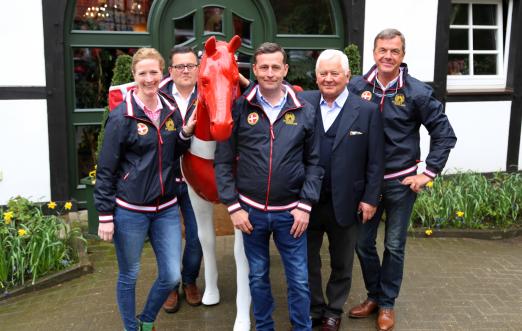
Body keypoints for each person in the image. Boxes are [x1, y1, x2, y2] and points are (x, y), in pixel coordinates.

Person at [347, 29, 457, 331]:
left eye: (394, 51)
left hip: (400, 184)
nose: (387, 56)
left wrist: (428, 174)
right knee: (362, 244)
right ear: (373, 52)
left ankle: (386, 304)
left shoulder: (417, 92)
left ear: (402, 56)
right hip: (366, 185)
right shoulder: (356, 86)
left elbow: (444, 134)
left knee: (394, 246)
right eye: (382, 50)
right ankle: (373, 295)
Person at [214, 42, 323, 331]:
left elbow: (315, 163)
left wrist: (306, 205)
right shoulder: (239, 108)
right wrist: (233, 207)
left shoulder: (306, 110)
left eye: (276, 67)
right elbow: (223, 162)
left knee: (299, 279)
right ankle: (264, 327)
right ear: (255, 70)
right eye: (264, 67)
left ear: (285, 69)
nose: (270, 73)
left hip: (292, 215)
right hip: (251, 215)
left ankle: (302, 328)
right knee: (258, 276)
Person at [95, 47, 196, 331]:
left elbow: (172, 150)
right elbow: (106, 168)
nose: (149, 78)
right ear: (134, 76)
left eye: (154, 72)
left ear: (162, 73)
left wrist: (185, 133)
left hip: (165, 208)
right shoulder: (121, 116)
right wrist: (105, 214)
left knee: (171, 275)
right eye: (143, 73)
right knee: (130, 274)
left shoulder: (170, 110)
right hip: (130, 211)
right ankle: (132, 328)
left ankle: (147, 320)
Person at [299, 49, 384, 331]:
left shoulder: (367, 111)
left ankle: (334, 311)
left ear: (348, 76)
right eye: (323, 73)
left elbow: (375, 160)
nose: (328, 78)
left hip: (347, 201)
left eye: (335, 73)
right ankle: (314, 309)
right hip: (307, 202)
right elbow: (265, 86)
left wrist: (371, 198)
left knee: (342, 262)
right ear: (316, 76)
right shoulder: (302, 103)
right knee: (308, 261)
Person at [158, 45, 203, 313]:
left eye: (190, 66)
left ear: (198, 69)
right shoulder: (158, 95)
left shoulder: (208, 93)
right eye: (180, 66)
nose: (185, 71)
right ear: (171, 70)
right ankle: (170, 286)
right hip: (165, 177)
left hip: (196, 179)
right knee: (168, 237)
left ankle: (189, 281)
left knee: (196, 237)